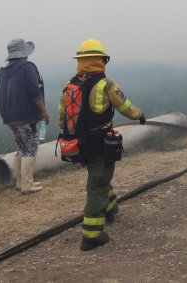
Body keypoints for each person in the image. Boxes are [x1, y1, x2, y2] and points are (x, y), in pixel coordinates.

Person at [63, 38, 145, 251]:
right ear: (101, 60)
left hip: (78, 144)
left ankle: (110, 208)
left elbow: (62, 118)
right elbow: (126, 107)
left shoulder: (70, 86)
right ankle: (91, 235)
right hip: (100, 143)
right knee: (98, 183)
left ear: (80, 61)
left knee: (100, 175)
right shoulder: (106, 85)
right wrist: (139, 115)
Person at [0, 38, 50, 195]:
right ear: (24, 53)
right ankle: (28, 184)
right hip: (27, 115)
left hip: (9, 116)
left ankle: (21, 183)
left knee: (21, 147)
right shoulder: (28, 67)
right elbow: (34, 91)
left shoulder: (4, 70)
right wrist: (43, 111)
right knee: (31, 147)